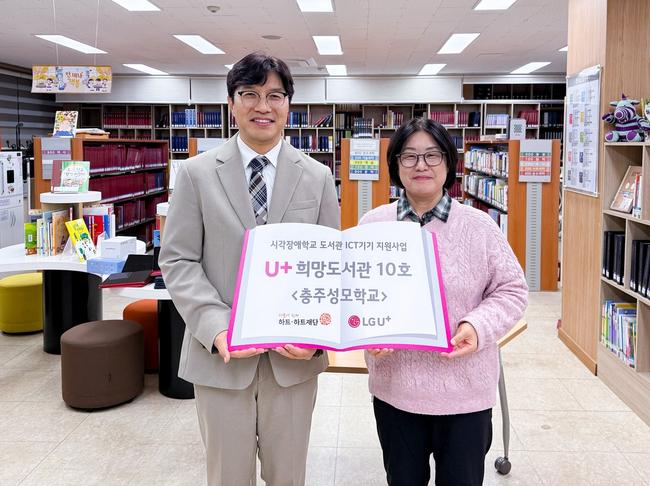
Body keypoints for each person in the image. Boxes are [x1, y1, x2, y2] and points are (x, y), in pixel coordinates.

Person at [159, 52, 340, 486]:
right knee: (228, 478)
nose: (263, 106)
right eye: (250, 94)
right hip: (220, 361)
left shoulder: (317, 177)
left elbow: (330, 267)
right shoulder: (196, 174)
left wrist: (314, 338)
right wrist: (217, 328)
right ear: (231, 102)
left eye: (275, 95)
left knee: (288, 477)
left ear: (289, 104)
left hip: (292, 364)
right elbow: (178, 259)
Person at [358, 117, 528, 486]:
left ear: (449, 163)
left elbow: (512, 290)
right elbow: (355, 296)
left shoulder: (480, 226)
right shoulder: (372, 225)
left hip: (465, 395)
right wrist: (368, 333)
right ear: (395, 165)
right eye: (409, 156)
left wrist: (476, 326)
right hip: (396, 392)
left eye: (432, 155)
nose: (421, 165)